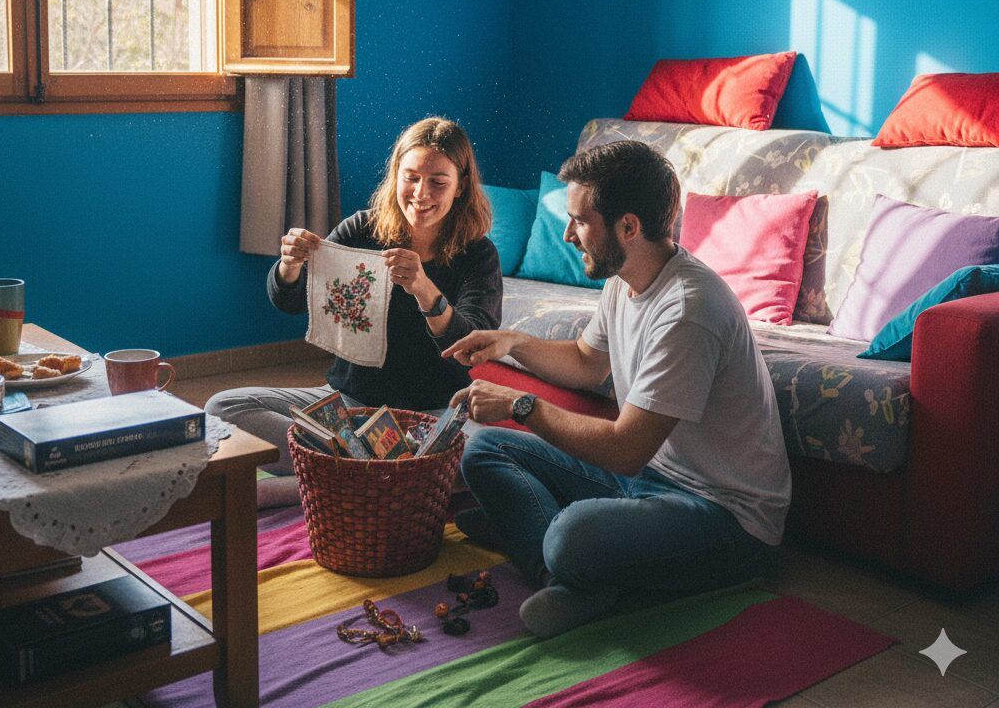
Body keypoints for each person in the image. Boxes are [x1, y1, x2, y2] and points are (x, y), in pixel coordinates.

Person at [442, 140, 791, 639]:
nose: (567, 234)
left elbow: (625, 449)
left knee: (570, 534)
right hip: (652, 481)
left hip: (725, 520)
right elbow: (586, 363)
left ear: (628, 226)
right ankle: (569, 577)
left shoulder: (689, 310)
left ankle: (553, 549)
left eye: (580, 221)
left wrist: (521, 405)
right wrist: (509, 343)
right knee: (485, 448)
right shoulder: (624, 280)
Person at [206, 117, 502, 505]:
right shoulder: (362, 230)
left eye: (438, 182)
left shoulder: (478, 255)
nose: (420, 192)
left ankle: (326, 479)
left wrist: (423, 288)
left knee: (487, 450)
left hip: (430, 417)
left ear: (461, 186)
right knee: (222, 407)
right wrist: (290, 266)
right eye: (410, 177)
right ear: (395, 174)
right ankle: (380, 476)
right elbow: (294, 300)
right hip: (348, 409)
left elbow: (471, 345)